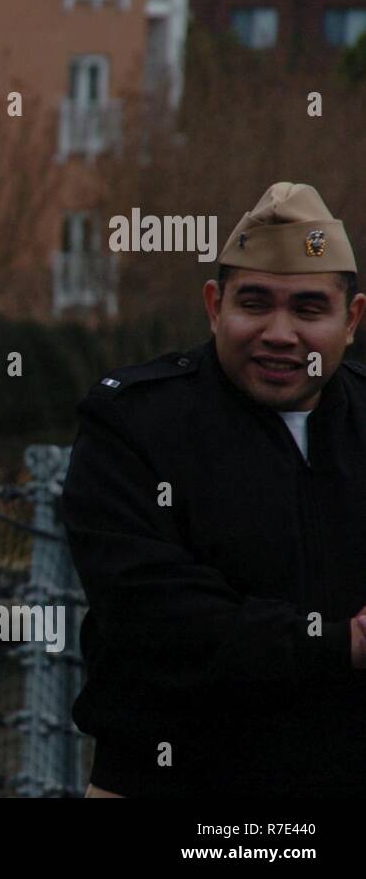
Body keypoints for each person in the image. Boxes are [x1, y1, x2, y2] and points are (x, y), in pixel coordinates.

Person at [61, 182, 366, 798]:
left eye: (309, 309)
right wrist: (344, 645)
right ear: (213, 305)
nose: (280, 333)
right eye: (255, 303)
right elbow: (155, 614)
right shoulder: (136, 423)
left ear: (352, 319)